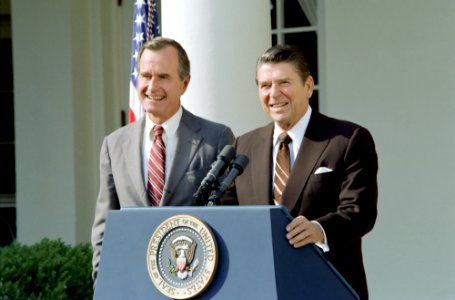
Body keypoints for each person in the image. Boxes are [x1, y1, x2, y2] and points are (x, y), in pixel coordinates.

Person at [227, 44, 378, 300]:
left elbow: (360, 211)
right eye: (265, 85)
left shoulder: (347, 139)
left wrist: (320, 229)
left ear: (308, 86)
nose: (274, 93)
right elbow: (227, 212)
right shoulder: (244, 146)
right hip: (259, 288)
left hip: (325, 287)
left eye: (284, 82)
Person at [91, 37, 235, 280]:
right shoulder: (114, 144)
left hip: (196, 279)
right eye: (146, 76)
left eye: (163, 77)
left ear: (184, 83)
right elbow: (105, 225)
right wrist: (102, 283)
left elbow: (230, 219)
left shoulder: (217, 138)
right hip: (134, 281)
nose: (152, 86)